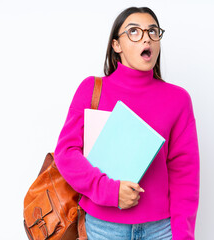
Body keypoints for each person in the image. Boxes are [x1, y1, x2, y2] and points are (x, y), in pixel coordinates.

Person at [54, 6, 200, 240]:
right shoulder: (91, 89)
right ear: (116, 46)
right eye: (134, 31)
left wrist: (183, 236)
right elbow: (66, 154)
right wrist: (109, 191)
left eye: (153, 31)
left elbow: (185, 174)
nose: (146, 38)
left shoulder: (178, 99)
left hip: (160, 231)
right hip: (103, 228)